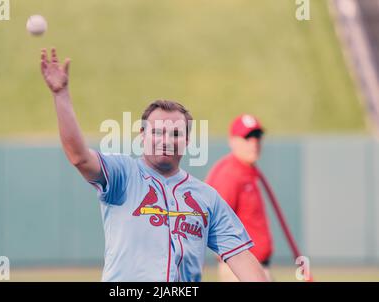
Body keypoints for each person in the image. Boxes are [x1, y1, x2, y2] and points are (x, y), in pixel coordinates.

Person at [40, 47, 267, 282]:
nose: (166, 140)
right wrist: (61, 95)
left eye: (176, 134)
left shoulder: (207, 197)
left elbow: (240, 256)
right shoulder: (123, 175)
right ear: (142, 135)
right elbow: (79, 157)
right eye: (158, 132)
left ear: (187, 141)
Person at [205, 114, 273, 281]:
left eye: (257, 137)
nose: (254, 143)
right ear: (233, 141)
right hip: (240, 269)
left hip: (255, 267)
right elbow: (213, 222)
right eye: (247, 138)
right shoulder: (230, 174)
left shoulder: (247, 170)